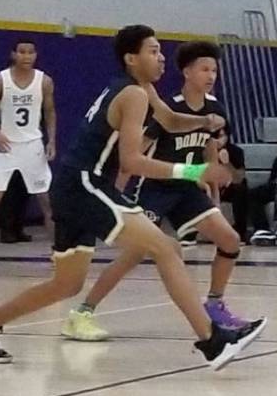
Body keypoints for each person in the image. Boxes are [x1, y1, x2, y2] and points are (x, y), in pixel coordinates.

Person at [0, 25, 266, 370]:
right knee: (165, 247)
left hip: (75, 187)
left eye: (161, 50)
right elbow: (133, 161)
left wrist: (203, 121)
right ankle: (212, 341)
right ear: (131, 58)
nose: (161, 57)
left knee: (66, 284)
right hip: (86, 183)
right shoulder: (132, 95)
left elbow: (170, 120)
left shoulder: (142, 90)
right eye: (153, 50)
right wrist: (192, 172)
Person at [60, 40, 255, 341]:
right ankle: (84, 310)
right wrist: (117, 195)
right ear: (187, 72)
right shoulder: (166, 108)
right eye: (204, 68)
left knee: (229, 239)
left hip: (187, 190)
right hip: (153, 188)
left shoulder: (215, 109)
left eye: (214, 70)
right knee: (135, 254)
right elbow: (136, 153)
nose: (211, 75)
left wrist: (213, 192)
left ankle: (215, 305)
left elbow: (209, 150)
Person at [0, 40, 56, 275]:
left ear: (36, 55)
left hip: (33, 146)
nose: (26, 56)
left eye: (31, 52)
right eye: (22, 52)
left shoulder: (44, 81)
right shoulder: (0, 80)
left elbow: (49, 112)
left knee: (47, 202)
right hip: (6, 147)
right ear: (13, 54)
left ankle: (59, 252)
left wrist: (52, 140)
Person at [217, 128, 249, 244]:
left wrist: (226, 163)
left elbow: (238, 179)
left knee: (241, 189)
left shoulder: (236, 151)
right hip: (210, 186)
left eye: (222, 136)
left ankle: (240, 232)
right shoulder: (204, 151)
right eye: (215, 136)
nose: (219, 140)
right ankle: (189, 233)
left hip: (229, 188)